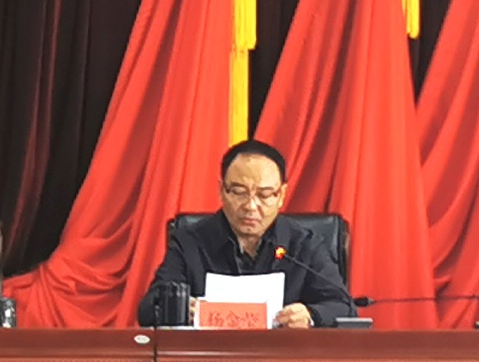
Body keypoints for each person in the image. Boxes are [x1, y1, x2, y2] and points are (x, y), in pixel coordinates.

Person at [137, 139, 358, 329]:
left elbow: (344, 307)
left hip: (283, 360)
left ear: (281, 195)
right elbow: (148, 309)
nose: (251, 206)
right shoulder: (190, 242)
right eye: (239, 192)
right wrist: (179, 307)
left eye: (264, 195)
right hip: (209, 359)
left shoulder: (304, 245)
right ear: (222, 191)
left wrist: (311, 315)